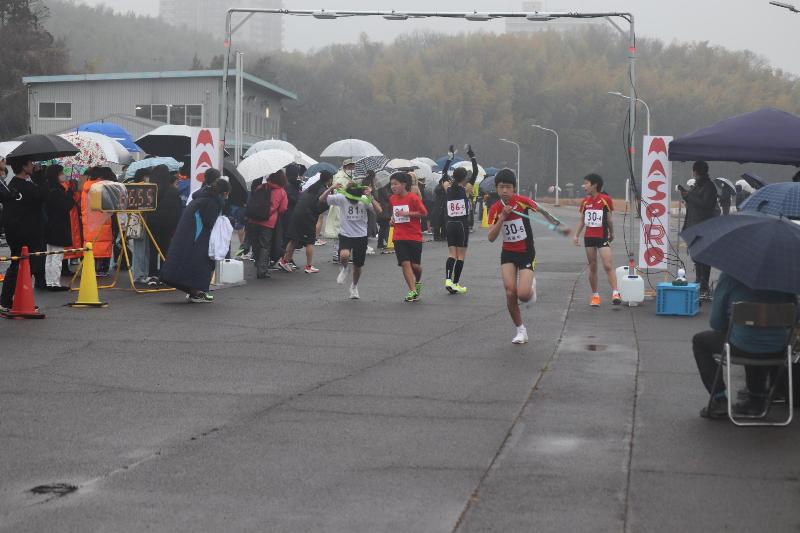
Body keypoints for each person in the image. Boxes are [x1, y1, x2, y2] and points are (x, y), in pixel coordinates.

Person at [692, 272, 797, 419]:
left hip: (741, 345)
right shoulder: (784, 279)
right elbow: (792, 317)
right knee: (757, 340)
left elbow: (716, 321)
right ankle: (756, 399)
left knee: (700, 341)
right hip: (777, 348)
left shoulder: (730, 276)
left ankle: (719, 399)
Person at [487, 168, 561, 344]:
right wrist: (502, 218)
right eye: (501, 187)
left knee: (523, 295)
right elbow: (491, 237)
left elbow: (541, 210)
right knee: (510, 292)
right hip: (508, 254)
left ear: (514, 188)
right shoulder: (495, 209)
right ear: (497, 188)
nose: (504, 190)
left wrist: (554, 221)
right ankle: (521, 330)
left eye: (508, 187)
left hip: (527, 253)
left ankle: (530, 288)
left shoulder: (522, 202)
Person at [160, 169, 228, 303]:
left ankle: (194, 291)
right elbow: (209, 222)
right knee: (199, 263)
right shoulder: (212, 202)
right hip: (197, 237)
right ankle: (196, 292)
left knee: (185, 261)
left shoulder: (201, 195)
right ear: (224, 193)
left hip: (187, 234)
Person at [0, 158, 47, 311]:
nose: (33, 165)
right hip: (26, 233)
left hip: (16, 231)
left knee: (19, 266)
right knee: (23, 267)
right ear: (23, 166)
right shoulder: (24, 186)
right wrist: (39, 177)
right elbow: (43, 195)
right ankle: (7, 300)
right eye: (30, 163)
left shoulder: (11, 185)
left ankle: (17, 299)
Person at [572, 173, 621, 307]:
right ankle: (595, 295)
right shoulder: (585, 202)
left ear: (594, 185)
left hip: (602, 236)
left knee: (607, 265)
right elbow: (582, 221)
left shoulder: (605, 199)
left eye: (586, 183)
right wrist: (576, 235)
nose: (584, 186)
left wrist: (612, 233)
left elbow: (610, 219)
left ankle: (616, 292)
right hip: (589, 238)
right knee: (592, 266)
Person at [328, 183, 381, 299]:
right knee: (344, 255)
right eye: (350, 199)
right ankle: (345, 268)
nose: (352, 201)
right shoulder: (342, 198)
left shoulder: (364, 200)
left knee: (358, 266)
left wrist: (370, 196)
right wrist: (331, 188)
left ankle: (354, 286)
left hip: (361, 236)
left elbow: (379, 210)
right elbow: (322, 199)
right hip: (345, 234)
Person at [279, 171, 333, 274]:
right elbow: (320, 206)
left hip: (297, 213)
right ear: (330, 179)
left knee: (294, 238)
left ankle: (284, 261)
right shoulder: (323, 190)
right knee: (310, 241)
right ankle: (308, 267)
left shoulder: (314, 186)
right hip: (307, 216)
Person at [680, 161, 720, 298]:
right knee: (697, 256)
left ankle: (703, 286)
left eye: (694, 170)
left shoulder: (709, 187)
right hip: (694, 225)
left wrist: (689, 196)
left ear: (696, 171)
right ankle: (699, 282)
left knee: (703, 257)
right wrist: (685, 194)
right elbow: (694, 200)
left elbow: (706, 205)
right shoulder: (698, 184)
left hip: (702, 226)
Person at [442, 144, 478, 295]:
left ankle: (448, 279)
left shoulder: (447, 188)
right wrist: (471, 154)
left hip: (450, 223)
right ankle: (455, 283)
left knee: (451, 254)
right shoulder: (467, 188)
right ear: (465, 178)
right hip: (462, 225)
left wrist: (449, 158)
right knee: (461, 255)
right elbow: (475, 172)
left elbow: (444, 173)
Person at [388, 172, 428, 302]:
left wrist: (407, 213)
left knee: (415, 266)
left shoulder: (413, 198)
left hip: (414, 236)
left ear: (404, 184)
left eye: (396, 184)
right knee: (405, 263)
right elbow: (395, 214)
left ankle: (418, 281)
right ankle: (412, 291)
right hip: (399, 236)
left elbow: (423, 213)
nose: (393, 187)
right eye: (391, 184)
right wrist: (392, 219)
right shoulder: (392, 198)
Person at [145, 165, 183, 283]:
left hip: (151, 224)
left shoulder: (150, 191)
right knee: (165, 249)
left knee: (152, 249)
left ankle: (151, 274)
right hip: (167, 226)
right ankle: (164, 274)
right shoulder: (173, 191)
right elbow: (177, 211)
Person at [250, 170, 288, 279]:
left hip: (254, 219)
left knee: (256, 244)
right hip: (268, 222)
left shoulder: (261, 187)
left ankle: (258, 264)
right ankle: (262, 270)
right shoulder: (281, 192)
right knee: (265, 245)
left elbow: (253, 200)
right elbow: (283, 209)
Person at [43, 165, 73, 291]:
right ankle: (55, 282)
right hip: (58, 227)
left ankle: (49, 281)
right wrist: (70, 194)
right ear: (56, 175)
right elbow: (66, 206)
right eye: (61, 173)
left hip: (49, 226)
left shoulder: (47, 188)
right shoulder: (57, 191)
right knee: (57, 256)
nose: (63, 175)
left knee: (50, 256)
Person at [81, 167, 115, 277]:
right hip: (102, 220)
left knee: (91, 244)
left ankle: (91, 268)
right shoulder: (101, 186)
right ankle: (101, 269)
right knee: (103, 244)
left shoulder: (85, 187)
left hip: (88, 221)